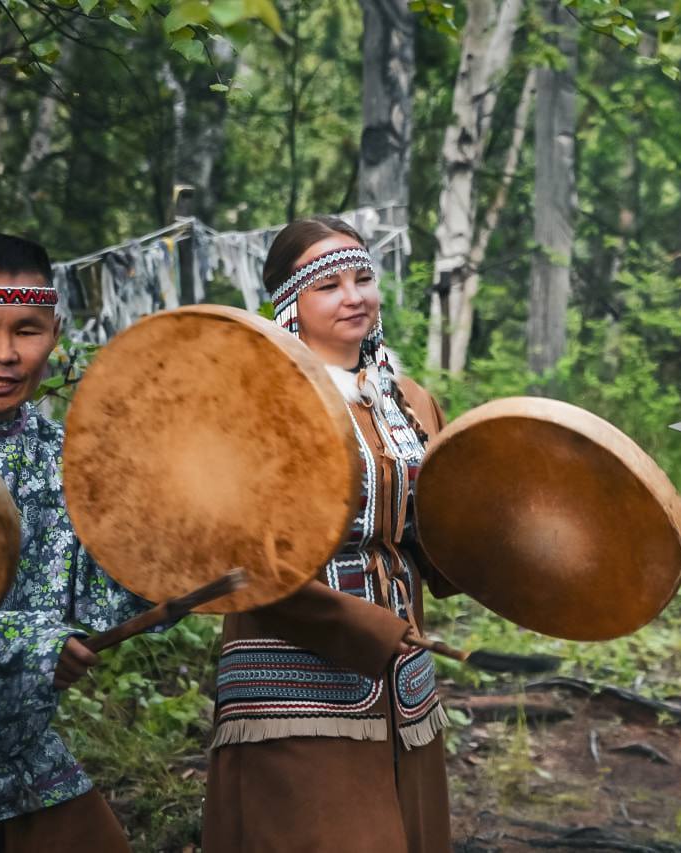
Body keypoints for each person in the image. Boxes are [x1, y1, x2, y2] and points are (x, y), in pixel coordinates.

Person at [202, 216, 457, 853]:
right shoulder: (259, 403)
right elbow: (236, 555)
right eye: (328, 285)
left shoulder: (408, 401)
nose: (354, 296)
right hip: (292, 679)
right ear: (290, 305)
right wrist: (363, 628)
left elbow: (435, 531)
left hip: (403, 685)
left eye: (363, 278)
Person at [0, 233, 147, 852]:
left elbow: (104, 593)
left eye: (27, 330)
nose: (5, 353)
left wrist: (176, 542)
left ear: (57, 332)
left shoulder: (66, 457)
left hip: (21, 762)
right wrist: (37, 645)